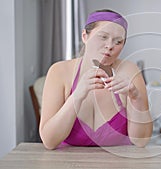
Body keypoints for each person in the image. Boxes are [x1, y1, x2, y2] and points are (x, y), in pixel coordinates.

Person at [39, 9, 153, 149]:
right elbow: (49, 142)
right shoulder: (59, 71)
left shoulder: (130, 71)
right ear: (85, 36)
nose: (110, 46)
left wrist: (136, 98)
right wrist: (77, 96)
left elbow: (141, 141)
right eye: (103, 37)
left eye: (118, 42)